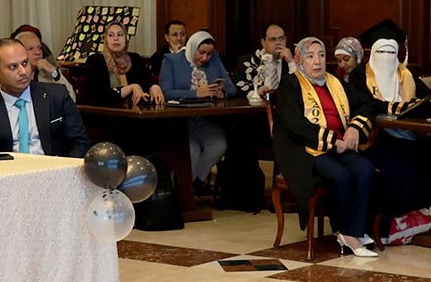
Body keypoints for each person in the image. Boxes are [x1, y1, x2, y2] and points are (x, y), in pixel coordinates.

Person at [271, 37, 379, 257]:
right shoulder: (290, 84)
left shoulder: (335, 81)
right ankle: (342, 230)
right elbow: (295, 125)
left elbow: (366, 104)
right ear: (299, 60)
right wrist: (333, 141)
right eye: (310, 56)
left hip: (338, 144)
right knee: (341, 176)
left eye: (321, 55)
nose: (317, 61)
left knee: (365, 169)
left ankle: (352, 230)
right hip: (304, 150)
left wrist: (354, 129)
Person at [357, 19, 431, 240]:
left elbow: (425, 99)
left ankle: (416, 218)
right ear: (372, 53)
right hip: (374, 137)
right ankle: (388, 223)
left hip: (409, 134)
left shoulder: (406, 75)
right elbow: (365, 105)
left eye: (391, 52)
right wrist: (399, 107)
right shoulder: (359, 76)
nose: (386, 57)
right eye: (381, 52)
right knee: (397, 156)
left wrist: (411, 108)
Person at [0, 38, 92, 157]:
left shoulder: (56, 95)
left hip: (54, 170)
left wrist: (63, 172)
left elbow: (80, 142)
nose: (23, 72)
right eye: (13, 67)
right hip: (7, 172)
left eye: (25, 63)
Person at [159, 30, 239, 191]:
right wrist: (195, 93)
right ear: (192, 47)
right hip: (179, 120)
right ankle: (186, 190)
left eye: (209, 54)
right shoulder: (171, 60)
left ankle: (195, 183)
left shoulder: (214, 60)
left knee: (219, 144)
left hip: (204, 119)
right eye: (201, 53)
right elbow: (166, 92)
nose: (205, 58)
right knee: (192, 150)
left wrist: (221, 93)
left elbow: (232, 88)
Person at [85, 21, 164, 106]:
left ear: (126, 39)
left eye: (120, 35)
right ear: (106, 40)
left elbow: (145, 84)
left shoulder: (135, 59)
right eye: (111, 35)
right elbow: (99, 95)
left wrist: (153, 87)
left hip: (135, 110)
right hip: (107, 111)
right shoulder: (96, 61)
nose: (116, 38)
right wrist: (130, 88)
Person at [15, 29, 77, 101]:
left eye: (39, 48)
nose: (38, 52)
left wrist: (54, 72)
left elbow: (71, 98)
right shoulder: (12, 74)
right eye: (31, 49)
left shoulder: (48, 73)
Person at [239, 23, 291, 105]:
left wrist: (291, 62)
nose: (278, 43)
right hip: (256, 109)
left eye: (281, 38)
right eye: (273, 39)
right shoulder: (247, 62)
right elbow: (236, 90)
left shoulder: (293, 61)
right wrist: (255, 93)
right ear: (263, 42)